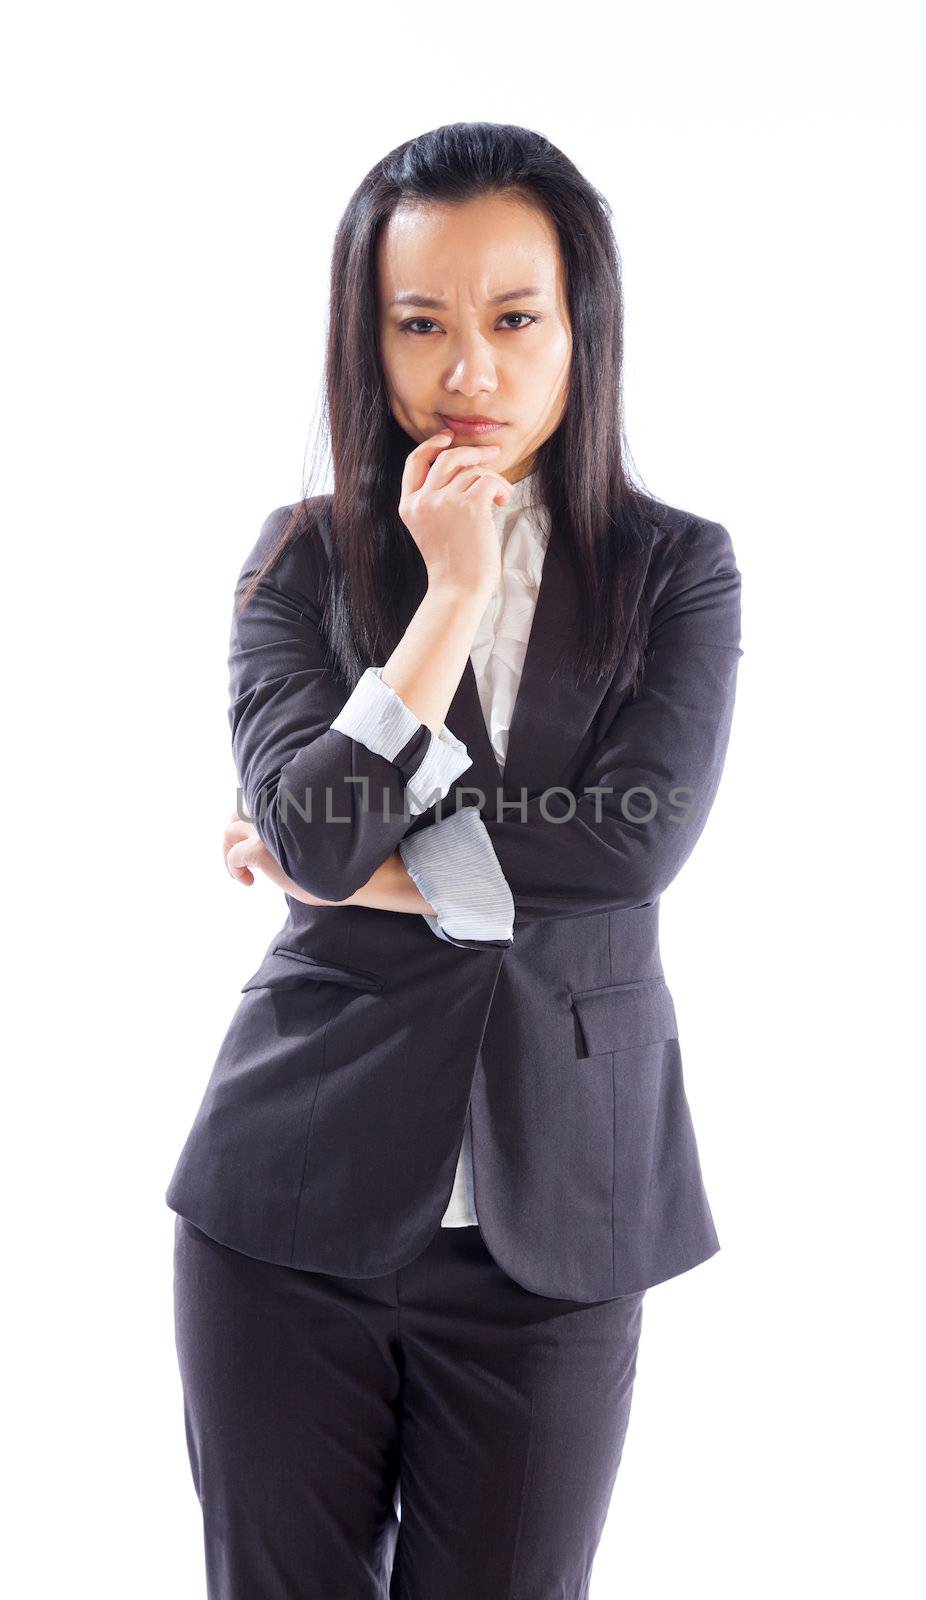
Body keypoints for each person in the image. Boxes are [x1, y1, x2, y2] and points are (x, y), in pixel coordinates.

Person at [166, 120, 744, 1599]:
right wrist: (450, 597)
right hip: (288, 1205)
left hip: (563, 1210)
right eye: (419, 324)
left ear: (579, 329)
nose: (466, 370)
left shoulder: (676, 570)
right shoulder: (300, 560)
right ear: (370, 342)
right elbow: (308, 828)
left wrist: (356, 871)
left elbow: (631, 851)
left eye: (511, 320)